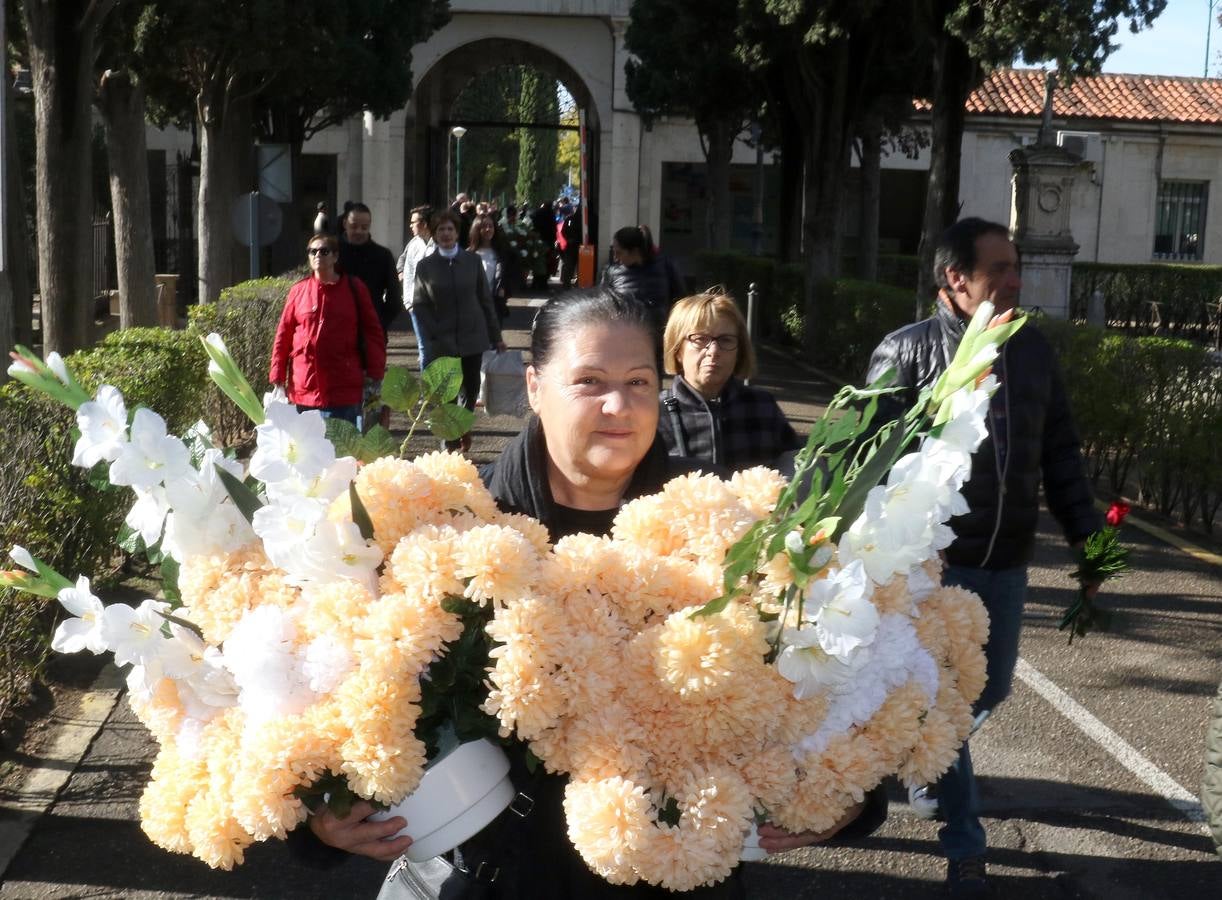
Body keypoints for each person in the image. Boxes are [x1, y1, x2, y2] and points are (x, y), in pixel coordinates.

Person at [305, 288, 887, 898]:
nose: (619, 405)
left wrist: (851, 796)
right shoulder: (459, 528)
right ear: (535, 387)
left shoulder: (722, 524)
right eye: (589, 380)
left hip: (673, 875)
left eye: (639, 381)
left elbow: (833, 680)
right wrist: (323, 819)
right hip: (499, 880)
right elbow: (323, 696)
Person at [865, 217, 1102, 899]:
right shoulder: (904, 354)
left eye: (1015, 266)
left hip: (1007, 565)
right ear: (955, 280)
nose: (1012, 280)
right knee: (948, 702)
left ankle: (924, 754)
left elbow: (1061, 457)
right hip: (933, 571)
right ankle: (965, 842)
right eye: (997, 268)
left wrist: (1096, 546)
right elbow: (867, 468)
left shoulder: (1033, 353)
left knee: (989, 692)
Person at [658, 292, 801, 471]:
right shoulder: (655, 414)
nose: (714, 351)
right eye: (701, 339)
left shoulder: (762, 407)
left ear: (739, 351)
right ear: (678, 349)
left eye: (725, 340)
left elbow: (800, 466)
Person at [412, 209, 507, 452]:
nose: (446, 234)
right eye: (441, 230)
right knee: (447, 395)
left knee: (470, 390)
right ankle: (449, 444)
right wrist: (431, 334)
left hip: (472, 337)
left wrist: (496, 336)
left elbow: (485, 300)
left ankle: (463, 426)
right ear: (434, 234)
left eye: (450, 229)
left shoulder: (471, 261)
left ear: (457, 233)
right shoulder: (425, 266)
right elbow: (420, 305)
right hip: (442, 341)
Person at [269, 233, 386, 426]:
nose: (318, 255)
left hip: (343, 386)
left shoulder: (354, 288)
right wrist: (277, 374)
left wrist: (375, 374)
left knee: (343, 452)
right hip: (304, 387)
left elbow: (373, 332)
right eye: (312, 251)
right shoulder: (298, 291)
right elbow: (284, 334)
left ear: (335, 257)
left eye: (324, 251)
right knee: (308, 451)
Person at [600, 225, 683, 334]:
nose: (615, 257)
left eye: (619, 252)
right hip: (625, 334)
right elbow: (602, 305)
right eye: (614, 251)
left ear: (634, 251)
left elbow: (680, 299)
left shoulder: (665, 265)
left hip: (659, 335)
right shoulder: (612, 271)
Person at [339, 202, 403, 338]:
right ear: (345, 224)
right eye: (354, 226)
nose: (359, 231)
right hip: (337, 330)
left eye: (364, 227)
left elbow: (395, 298)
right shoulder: (332, 253)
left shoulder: (383, 255)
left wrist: (379, 322)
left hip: (371, 332)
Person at [397, 205, 435, 350]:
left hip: (438, 306)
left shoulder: (440, 244)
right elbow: (408, 273)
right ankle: (427, 373)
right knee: (424, 346)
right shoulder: (413, 245)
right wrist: (408, 302)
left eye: (414, 222)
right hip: (416, 304)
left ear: (424, 224)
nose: (411, 225)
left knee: (440, 346)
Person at [468, 213, 510, 322]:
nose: (488, 229)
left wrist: (504, 290)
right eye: (484, 226)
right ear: (477, 229)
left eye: (491, 226)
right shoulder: (469, 254)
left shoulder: (501, 252)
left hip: (494, 304)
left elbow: (512, 274)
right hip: (473, 305)